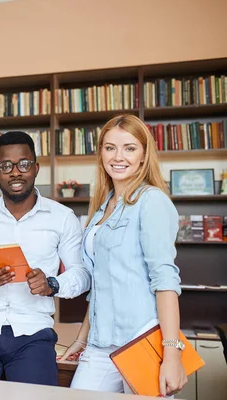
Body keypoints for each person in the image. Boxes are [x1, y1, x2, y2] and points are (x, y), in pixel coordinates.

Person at [0, 131, 91, 385]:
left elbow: (82, 274)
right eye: (6, 166)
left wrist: (51, 285)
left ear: (36, 168)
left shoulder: (62, 217)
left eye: (23, 164)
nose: (15, 172)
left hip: (33, 334)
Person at [60, 114, 187, 397]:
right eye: (110, 147)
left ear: (143, 155)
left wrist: (172, 355)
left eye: (129, 148)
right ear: (101, 153)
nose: (119, 156)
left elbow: (165, 281)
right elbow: (101, 285)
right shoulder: (103, 208)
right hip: (100, 343)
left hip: (142, 340)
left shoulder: (151, 201)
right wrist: (81, 339)